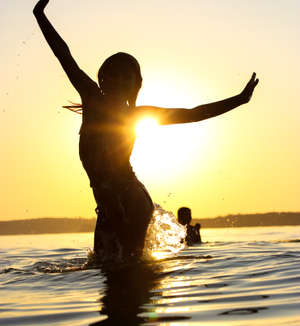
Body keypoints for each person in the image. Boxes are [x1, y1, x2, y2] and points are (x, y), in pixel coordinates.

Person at [33, 0, 259, 263]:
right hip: (105, 200)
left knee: (129, 266)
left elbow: (194, 113)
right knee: (105, 268)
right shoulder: (91, 97)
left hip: (130, 197)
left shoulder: (138, 116)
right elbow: (64, 55)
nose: (118, 80)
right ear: (101, 78)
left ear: (135, 84)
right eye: (112, 74)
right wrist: (40, 15)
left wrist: (239, 99)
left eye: (125, 77)